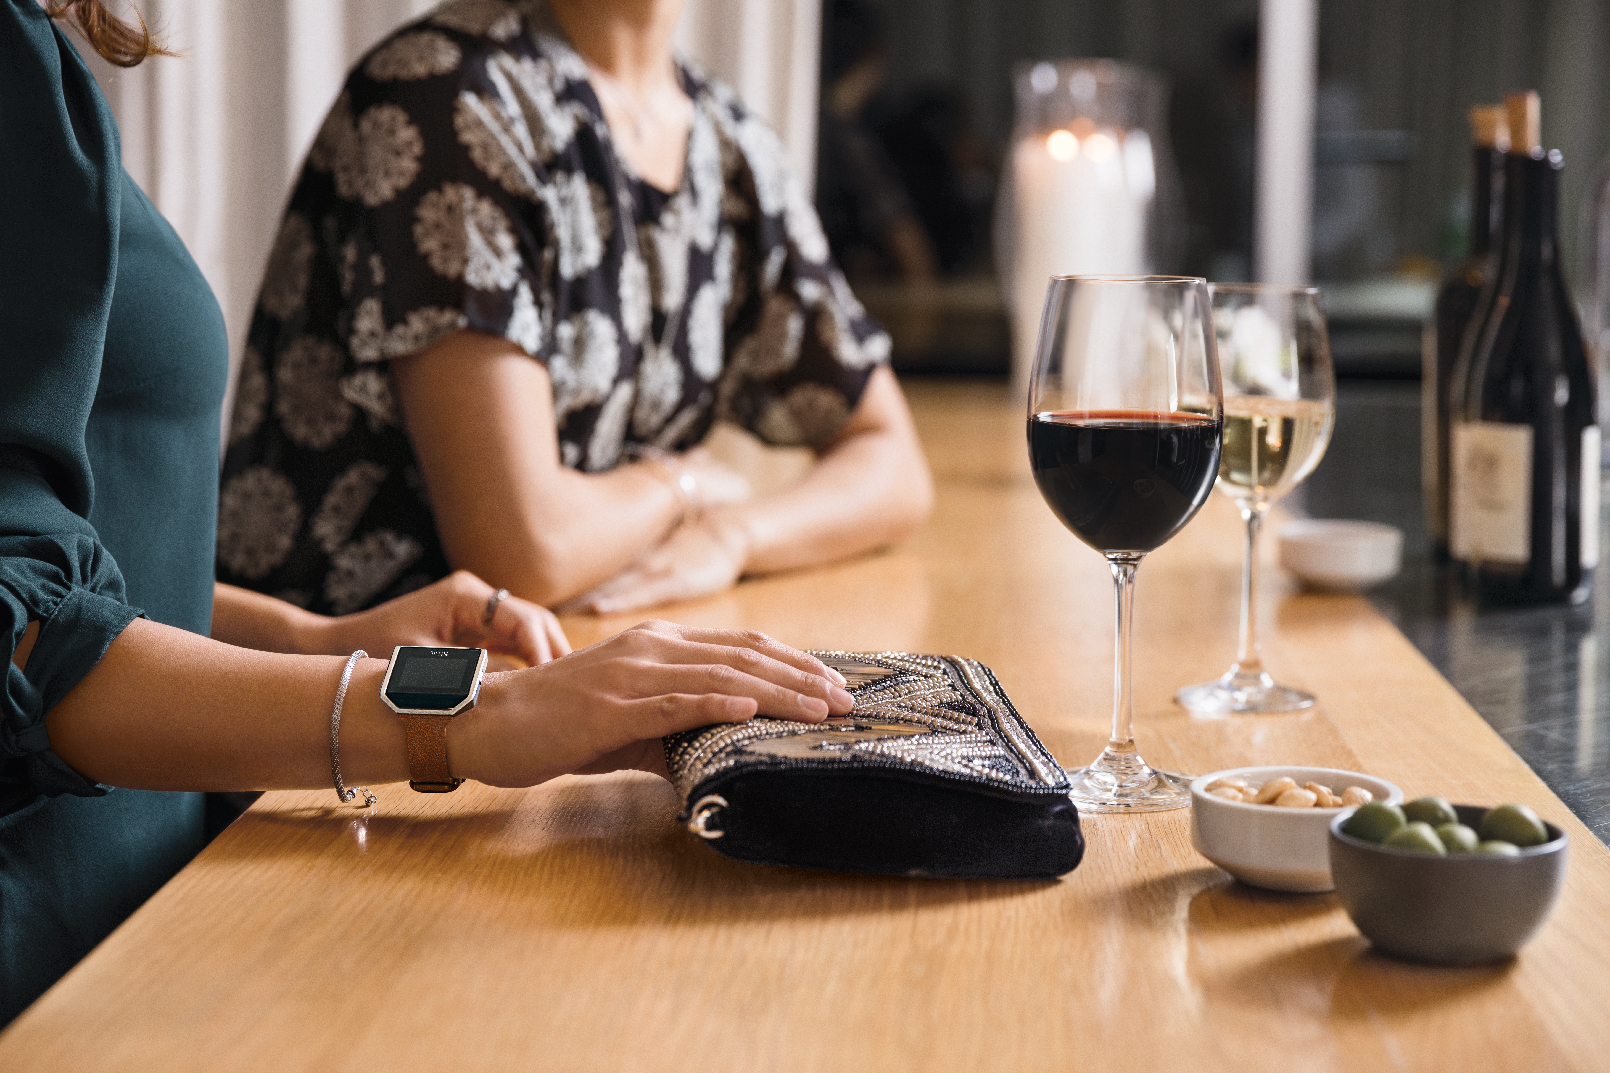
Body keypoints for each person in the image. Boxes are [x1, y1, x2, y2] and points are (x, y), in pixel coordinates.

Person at [0, 0, 855, 1023]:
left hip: (165, 889)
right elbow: (22, 635)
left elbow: (77, 560)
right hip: (62, 957)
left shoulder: (37, 62)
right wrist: (473, 715)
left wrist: (316, 640)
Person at [217, 0, 934, 618]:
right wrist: (680, 485)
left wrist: (734, 535)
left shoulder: (731, 146)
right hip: (336, 717)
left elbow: (893, 466)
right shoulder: (448, 97)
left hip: (550, 669)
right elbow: (524, 551)